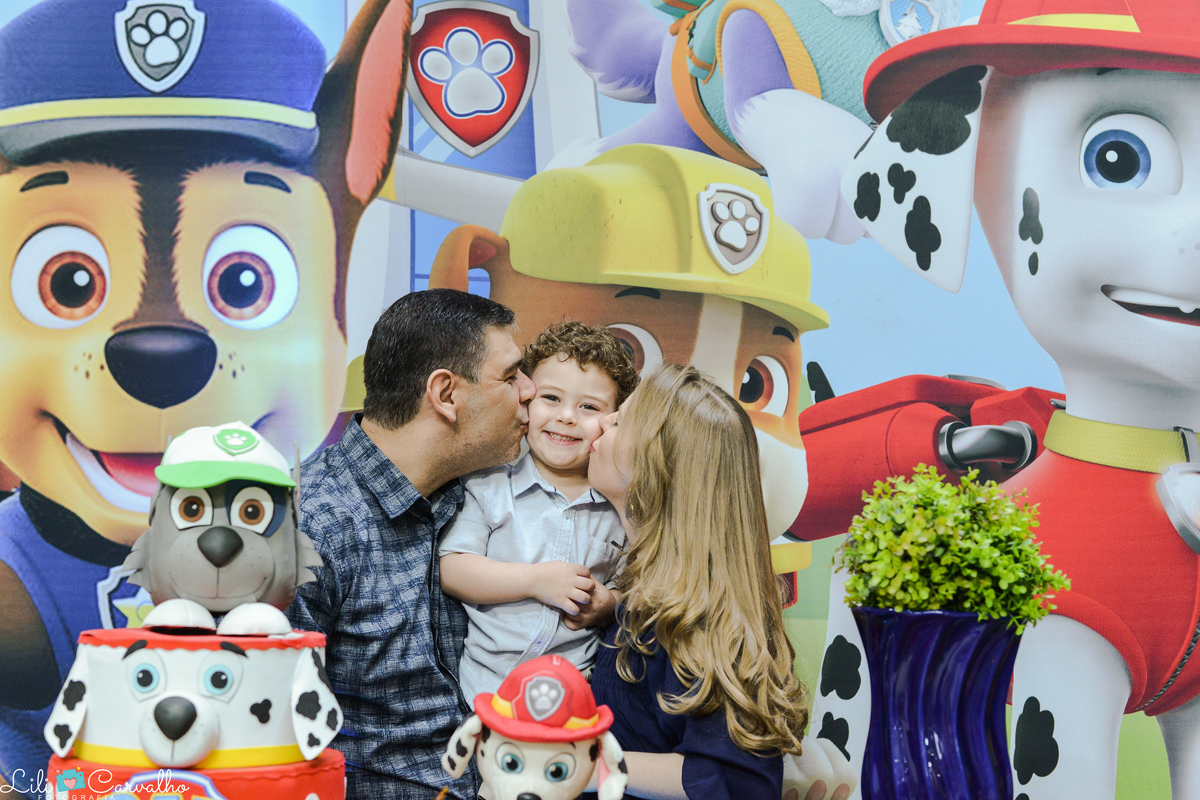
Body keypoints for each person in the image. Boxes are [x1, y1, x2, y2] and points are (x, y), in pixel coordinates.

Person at [285, 289, 536, 800]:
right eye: (511, 377)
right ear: (446, 394)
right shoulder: (309, 527)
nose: (532, 391)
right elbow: (270, 738)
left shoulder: (485, 497)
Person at [585, 363, 810, 799]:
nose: (605, 420)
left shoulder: (704, 615)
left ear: (658, 462)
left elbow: (736, 779)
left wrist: (584, 761)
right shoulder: (645, 593)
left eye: (624, 419)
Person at [438, 321, 639, 702]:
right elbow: (453, 568)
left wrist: (606, 605)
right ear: (526, 400)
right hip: (484, 692)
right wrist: (535, 581)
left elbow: (631, 587)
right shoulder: (491, 484)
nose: (566, 417)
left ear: (614, 420)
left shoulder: (617, 505)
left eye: (589, 407)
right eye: (551, 398)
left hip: (573, 699)